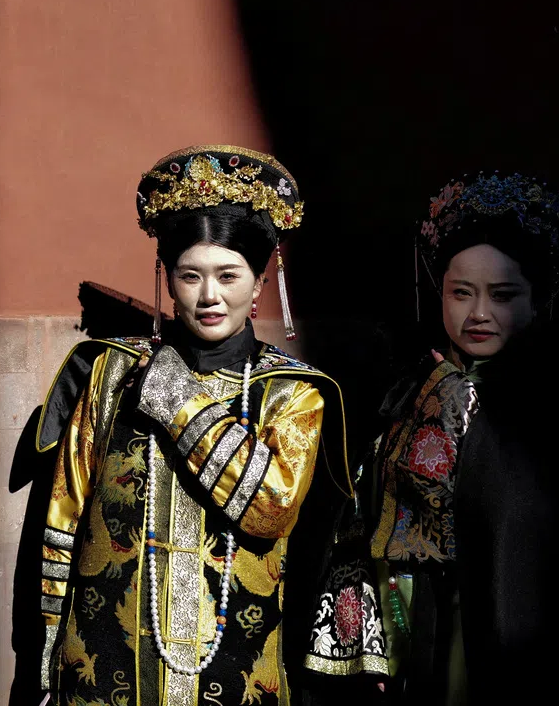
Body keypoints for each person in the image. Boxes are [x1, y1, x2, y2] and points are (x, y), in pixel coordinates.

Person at [30, 146, 356, 706]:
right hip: (102, 662)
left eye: (229, 276)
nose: (210, 296)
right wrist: (45, 657)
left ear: (260, 282)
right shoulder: (111, 372)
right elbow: (65, 511)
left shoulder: (292, 393)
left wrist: (178, 400)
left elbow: (271, 507)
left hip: (238, 664)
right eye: (191, 276)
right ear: (168, 280)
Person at [323, 172, 559, 704]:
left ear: (536, 301)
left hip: (522, 643)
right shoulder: (405, 391)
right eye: (461, 293)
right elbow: (360, 519)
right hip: (413, 627)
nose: (479, 314)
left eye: (503, 295)